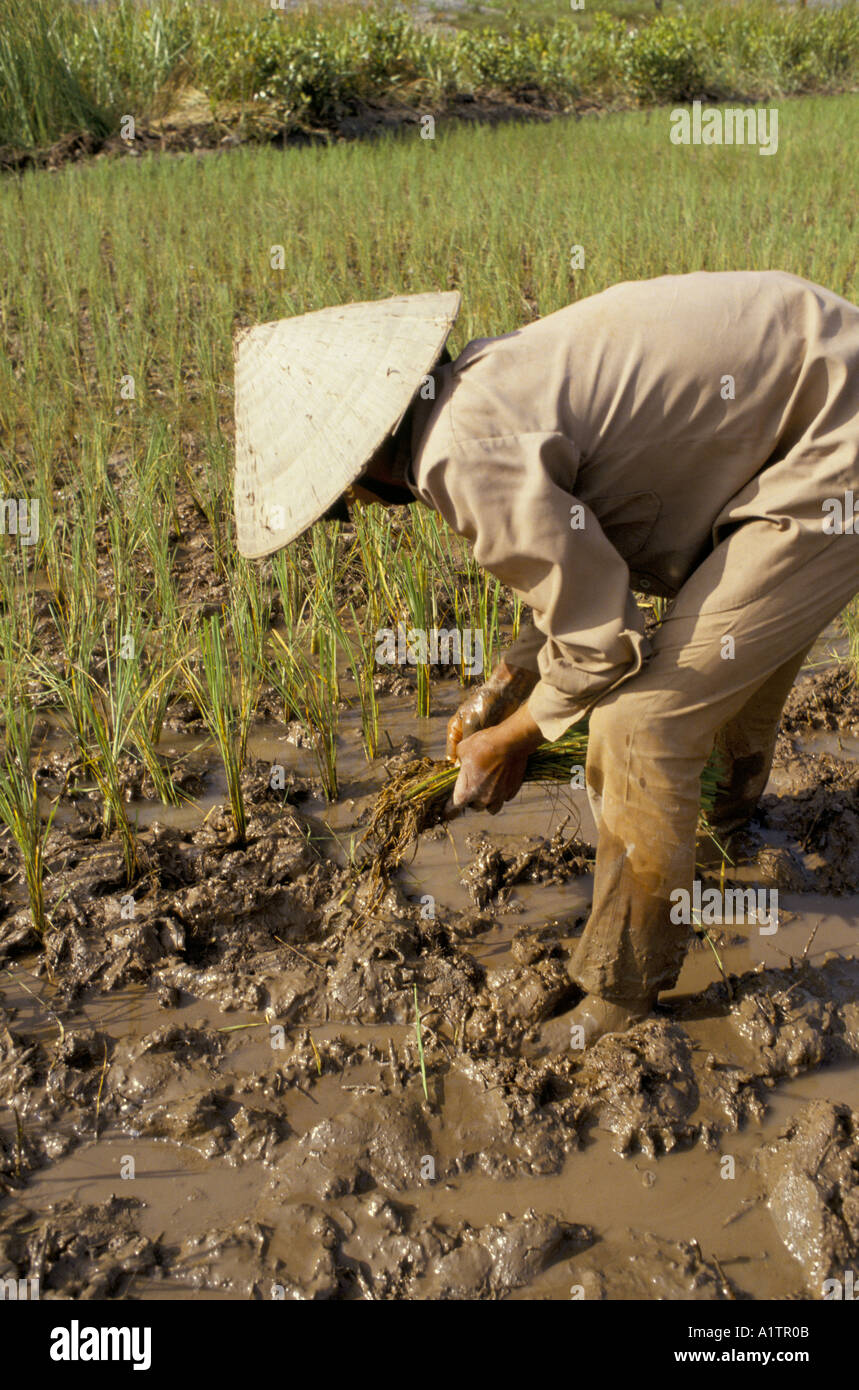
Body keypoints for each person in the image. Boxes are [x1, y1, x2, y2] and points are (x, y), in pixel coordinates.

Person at [234, 271, 859, 1049]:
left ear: (360, 463)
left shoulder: (457, 456)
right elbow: (584, 570)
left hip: (831, 444)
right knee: (725, 651)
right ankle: (721, 820)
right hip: (818, 390)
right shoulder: (477, 387)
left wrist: (512, 742)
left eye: (341, 504)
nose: (353, 514)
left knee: (641, 725)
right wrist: (504, 686)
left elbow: (602, 646)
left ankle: (624, 988)